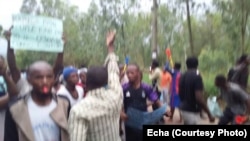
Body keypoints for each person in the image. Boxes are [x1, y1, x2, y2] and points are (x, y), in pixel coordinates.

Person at [68, 30, 123, 141]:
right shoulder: (116, 96)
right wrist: (110, 47)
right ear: (106, 82)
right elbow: (113, 72)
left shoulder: (79, 111)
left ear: (86, 83)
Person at [4, 61, 70, 141]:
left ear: (54, 79)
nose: (45, 82)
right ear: (29, 80)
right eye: (38, 77)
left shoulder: (64, 104)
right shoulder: (15, 108)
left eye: (49, 77)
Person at [4, 30, 65, 97]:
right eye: (38, 77)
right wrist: (10, 42)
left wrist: (61, 47)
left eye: (48, 76)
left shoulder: (61, 101)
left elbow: (58, 67)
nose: (45, 81)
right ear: (28, 78)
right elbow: (13, 68)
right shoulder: (23, 85)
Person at [121, 63, 165, 141]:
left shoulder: (146, 87)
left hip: (143, 120)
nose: (129, 75)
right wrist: (121, 113)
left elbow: (156, 100)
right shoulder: (124, 88)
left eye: (132, 73)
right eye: (127, 73)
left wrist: (164, 110)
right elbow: (118, 102)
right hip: (129, 122)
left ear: (138, 73)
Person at [179, 56, 215, 125]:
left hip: (183, 109)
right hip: (191, 112)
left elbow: (180, 93)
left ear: (187, 65)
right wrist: (209, 114)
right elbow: (199, 98)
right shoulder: (197, 77)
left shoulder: (182, 76)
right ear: (197, 65)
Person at [0, 56, 18, 141]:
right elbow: (13, 95)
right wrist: (9, 97)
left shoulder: (4, 77)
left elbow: (14, 92)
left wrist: (4, 74)